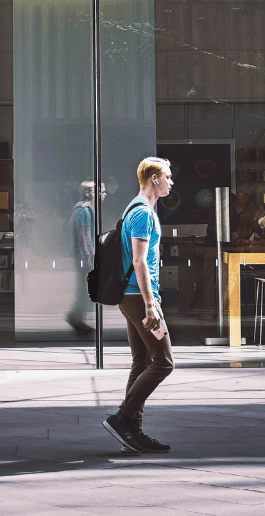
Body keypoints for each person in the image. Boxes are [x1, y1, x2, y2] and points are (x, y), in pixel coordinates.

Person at [103, 157, 174, 456]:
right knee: (164, 362)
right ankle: (121, 418)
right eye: (168, 176)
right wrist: (150, 304)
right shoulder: (144, 214)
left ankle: (133, 432)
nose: (172, 182)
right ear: (155, 179)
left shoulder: (133, 208)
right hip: (138, 298)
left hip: (131, 297)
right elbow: (139, 260)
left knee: (142, 362)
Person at [65, 181, 103, 336]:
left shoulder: (83, 210)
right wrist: (90, 257)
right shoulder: (84, 211)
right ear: (88, 193)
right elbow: (84, 237)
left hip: (82, 256)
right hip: (84, 256)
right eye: (99, 191)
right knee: (86, 290)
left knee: (85, 290)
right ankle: (76, 318)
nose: (103, 194)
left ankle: (77, 318)